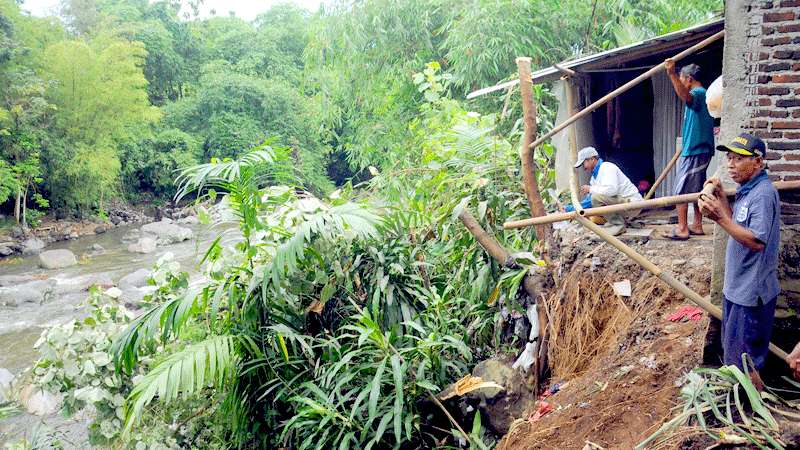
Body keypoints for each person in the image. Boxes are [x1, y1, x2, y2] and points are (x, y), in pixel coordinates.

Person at [698, 133, 780, 388]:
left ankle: (752, 409)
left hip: (751, 292)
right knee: (734, 354)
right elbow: (738, 224)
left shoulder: (763, 195)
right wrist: (722, 199)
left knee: (745, 361)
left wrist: (718, 218)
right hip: (737, 287)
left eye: (738, 159)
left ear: (758, 162)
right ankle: (744, 402)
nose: (731, 164)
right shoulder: (748, 190)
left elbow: (756, 241)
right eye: (729, 158)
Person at [664, 59, 715, 241]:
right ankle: (697, 225)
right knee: (696, 189)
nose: (681, 82)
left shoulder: (699, 93)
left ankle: (683, 228)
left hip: (695, 150)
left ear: (689, 79)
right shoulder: (701, 96)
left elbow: (685, 95)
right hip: (696, 148)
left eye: (681, 79)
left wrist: (670, 73)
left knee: (681, 191)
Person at [570, 146, 643, 236]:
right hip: (622, 203)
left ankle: (618, 225)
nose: (584, 167)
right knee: (594, 200)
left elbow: (612, 190)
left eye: (584, 163)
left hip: (632, 204)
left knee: (596, 198)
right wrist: (571, 208)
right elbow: (590, 200)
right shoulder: (594, 176)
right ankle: (617, 222)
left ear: (592, 159)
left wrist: (590, 189)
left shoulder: (607, 168)